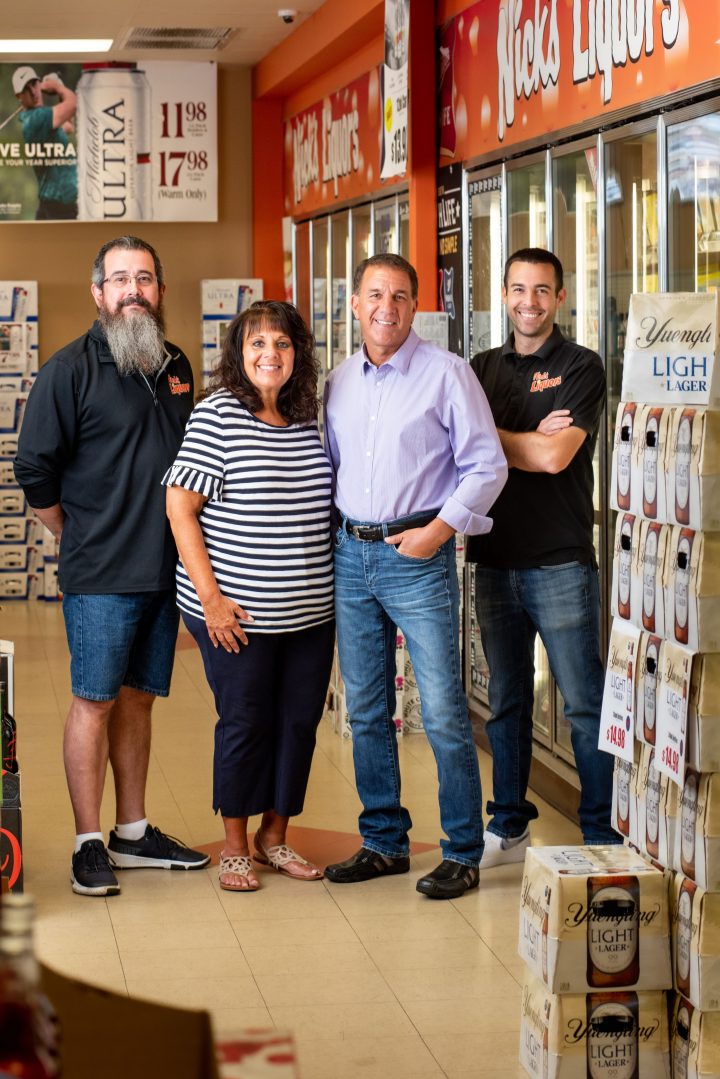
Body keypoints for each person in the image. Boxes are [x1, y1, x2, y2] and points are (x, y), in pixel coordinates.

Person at [14, 236, 209, 896]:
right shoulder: (69, 370)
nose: (134, 290)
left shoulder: (176, 364)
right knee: (93, 701)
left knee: (139, 700)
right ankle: (88, 841)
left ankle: (133, 831)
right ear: (99, 292)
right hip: (100, 575)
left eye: (145, 278)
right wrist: (75, 533)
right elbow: (33, 467)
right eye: (120, 279)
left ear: (159, 289)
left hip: (164, 571)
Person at [323, 253, 507, 900]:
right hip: (352, 556)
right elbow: (332, 469)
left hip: (419, 555)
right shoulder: (338, 380)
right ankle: (383, 841)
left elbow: (486, 465)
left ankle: (460, 848)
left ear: (415, 305)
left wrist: (439, 531)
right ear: (354, 303)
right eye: (375, 293)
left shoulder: (447, 374)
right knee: (368, 708)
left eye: (400, 296)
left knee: (443, 711)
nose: (386, 307)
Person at [164, 301, 335, 893]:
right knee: (246, 720)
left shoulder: (311, 415)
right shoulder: (217, 415)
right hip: (235, 609)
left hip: (312, 611)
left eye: (282, 344)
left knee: (299, 722)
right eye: (257, 343)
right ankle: (235, 843)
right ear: (239, 353)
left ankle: (274, 836)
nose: (270, 354)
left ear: (298, 355)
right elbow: (180, 509)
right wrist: (211, 600)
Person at [468, 247, 617, 867]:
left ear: (559, 297)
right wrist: (525, 438)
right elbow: (460, 449)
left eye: (541, 290)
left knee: (584, 704)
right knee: (506, 701)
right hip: (495, 559)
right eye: (518, 289)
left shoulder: (582, 366)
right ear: (503, 295)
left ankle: (602, 831)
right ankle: (507, 824)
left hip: (560, 562)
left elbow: (556, 458)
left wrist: (493, 437)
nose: (528, 301)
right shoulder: (480, 368)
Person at [12, 65, 78, 220]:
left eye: (34, 84)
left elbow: (68, 126)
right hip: (59, 208)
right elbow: (73, 105)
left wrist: (59, 92)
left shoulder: (41, 119)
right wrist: (58, 87)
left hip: (52, 205)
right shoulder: (36, 119)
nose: (34, 92)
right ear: (19, 96)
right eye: (26, 89)